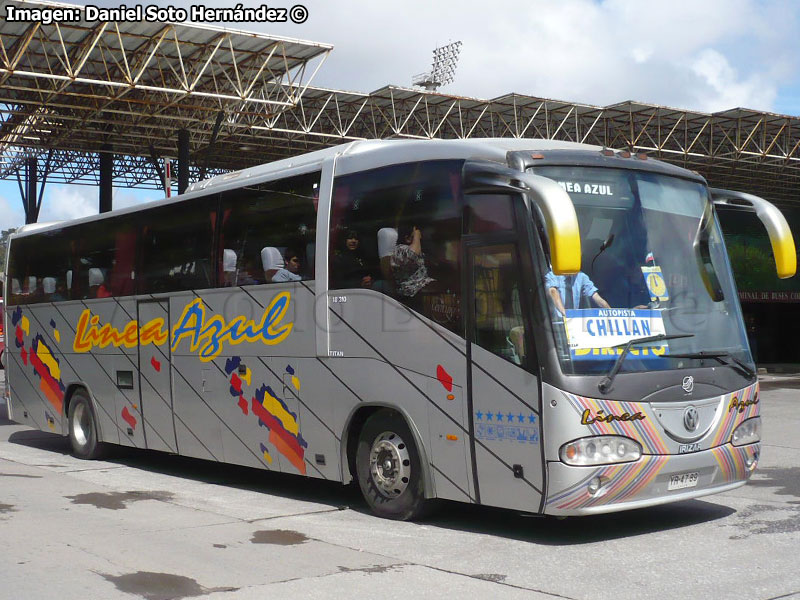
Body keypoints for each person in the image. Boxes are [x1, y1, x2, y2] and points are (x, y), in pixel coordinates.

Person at [391, 224, 435, 299]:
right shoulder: (399, 250)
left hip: (423, 288)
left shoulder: (419, 251)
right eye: (413, 236)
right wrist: (416, 235)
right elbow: (412, 254)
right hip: (411, 291)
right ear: (407, 238)